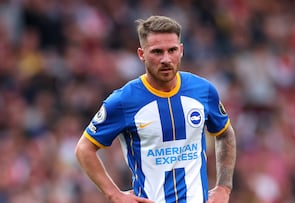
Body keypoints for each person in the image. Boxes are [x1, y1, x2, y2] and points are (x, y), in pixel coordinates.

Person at [75, 15, 236, 203]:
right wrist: (114, 194)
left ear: (181, 50)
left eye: (172, 50)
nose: (166, 59)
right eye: (157, 52)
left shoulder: (203, 91)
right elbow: (84, 148)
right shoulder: (123, 101)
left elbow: (225, 134)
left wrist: (224, 188)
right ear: (141, 54)